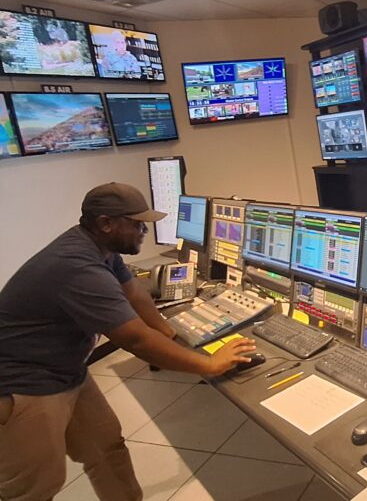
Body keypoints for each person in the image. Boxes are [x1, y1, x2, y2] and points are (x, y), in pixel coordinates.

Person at [0, 183, 256, 501]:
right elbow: (133, 338)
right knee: (35, 488)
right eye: (136, 223)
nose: (143, 231)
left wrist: (169, 333)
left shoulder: (100, 247)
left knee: (106, 449)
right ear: (107, 223)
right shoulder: (76, 265)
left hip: (68, 370)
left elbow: (132, 290)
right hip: (24, 383)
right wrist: (208, 364)